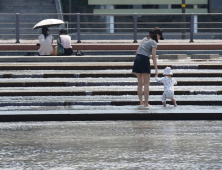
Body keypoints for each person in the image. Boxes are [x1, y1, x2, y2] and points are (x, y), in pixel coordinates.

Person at [132, 27, 164, 107]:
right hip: (144, 59)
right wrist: (156, 69)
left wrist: (138, 61)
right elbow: (153, 57)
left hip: (137, 59)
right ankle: (146, 103)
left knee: (140, 83)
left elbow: (137, 51)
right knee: (146, 83)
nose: (159, 39)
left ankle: (141, 102)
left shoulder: (145, 38)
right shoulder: (153, 42)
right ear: (157, 34)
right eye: (159, 37)